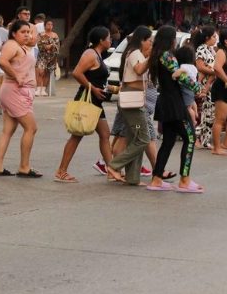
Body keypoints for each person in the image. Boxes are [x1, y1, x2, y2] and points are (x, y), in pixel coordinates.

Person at [146, 26, 204, 193]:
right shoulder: (167, 55)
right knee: (190, 138)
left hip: (165, 101)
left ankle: (157, 179)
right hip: (174, 104)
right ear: (171, 40)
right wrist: (197, 87)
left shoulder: (156, 55)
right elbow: (180, 77)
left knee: (168, 141)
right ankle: (184, 180)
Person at [57, 27, 115, 178]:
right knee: (77, 135)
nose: (111, 40)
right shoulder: (91, 54)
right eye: (108, 37)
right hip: (87, 99)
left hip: (96, 101)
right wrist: (92, 88)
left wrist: (111, 89)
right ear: (101, 40)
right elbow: (77, 73)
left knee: (105, 134)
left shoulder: (98, 54)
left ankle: (112, 171)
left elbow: (97, 78)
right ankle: (61, 171)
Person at [0, 20, 41, 178]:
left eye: (28, 32)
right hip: (16, 92)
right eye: (23, 32)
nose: (27, 35)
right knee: (31, 128)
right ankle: (24, 167)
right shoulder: (12, 45)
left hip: (17, 91)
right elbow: (2, 61)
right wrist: (16, 75)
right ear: (13, 33)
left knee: (8, 130)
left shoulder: (21, 46)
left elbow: (34, 40)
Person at [103, 26, 154, 186]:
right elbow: (139, 70)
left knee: (134, 138)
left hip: (135, 100)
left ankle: (132, 178)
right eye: (149, 41)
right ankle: (114, 165)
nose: (151, 44)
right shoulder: (134, 53)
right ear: (142, 40)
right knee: (143, 139)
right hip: (132, 102)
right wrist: (151, 57)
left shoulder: (137, 53)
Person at [192, 26, 218, 149]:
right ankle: (196, 136)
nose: (215, 39)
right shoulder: (201, 49)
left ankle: (206, 140)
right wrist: (214, 71)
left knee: (210, 113)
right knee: (204, 112)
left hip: (211, 85)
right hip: (203, 85)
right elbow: (200, 67)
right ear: (207, 37)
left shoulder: (211, 50)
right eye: (214, 37)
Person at [35, 18, 60, 97]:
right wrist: (46, 47)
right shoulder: (41, 34)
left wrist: (51, 46)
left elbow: (57, 46)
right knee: (40, 71)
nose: (50, 26)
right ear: (45, 25)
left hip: (52, 56)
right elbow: (39, 44)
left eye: (51, 24)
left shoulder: (55, 35)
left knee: (47, 72)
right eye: (48, 24)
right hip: (42, 56)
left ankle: (43, 89)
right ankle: (38, 89)